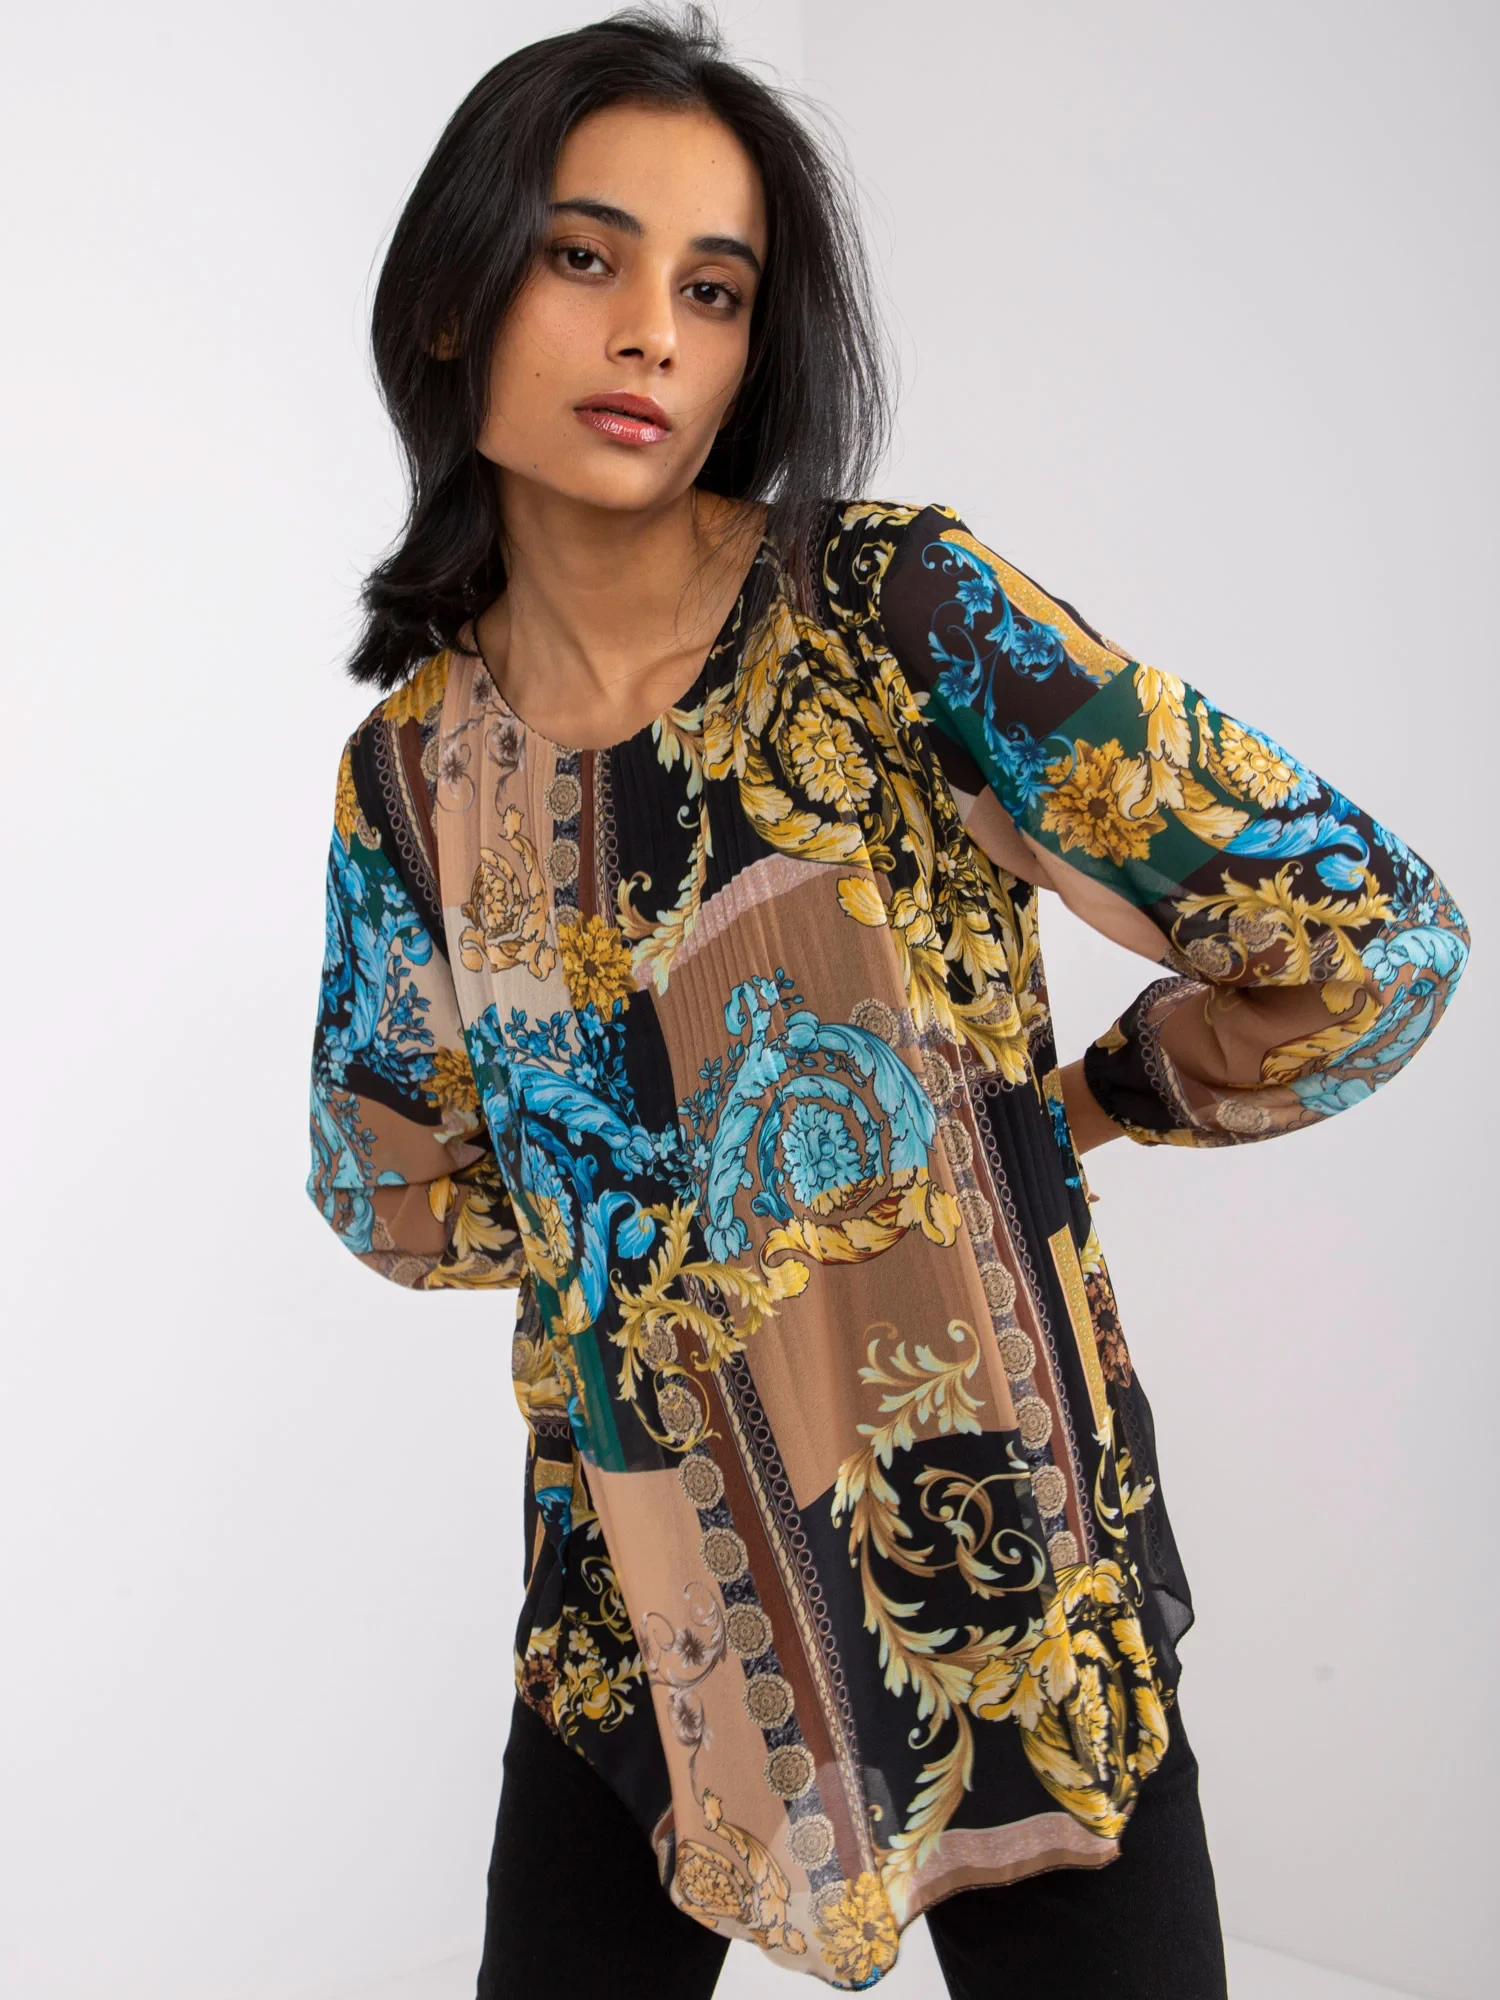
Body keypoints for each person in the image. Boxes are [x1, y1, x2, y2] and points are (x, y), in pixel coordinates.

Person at [305, 10, 1468, 1995]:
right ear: (449, 298)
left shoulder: (893, 613)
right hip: (639, 1625)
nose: (651, 334)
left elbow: (1369, 933)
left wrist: (1073, 1108)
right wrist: (670, 1222)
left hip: (1008, 1593)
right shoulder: (410, 775)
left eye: (714, 288)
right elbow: (381, 1183)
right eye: (584, 256)